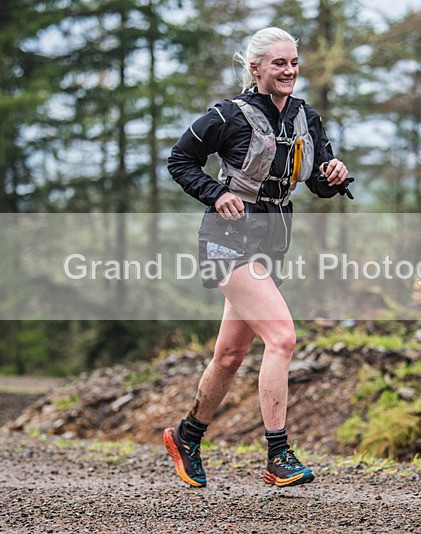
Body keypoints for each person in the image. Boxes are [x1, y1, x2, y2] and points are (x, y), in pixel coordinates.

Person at [164, 26, 352, 488]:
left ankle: (187, 436)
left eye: (294, 62)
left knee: (230, 356)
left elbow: (318, 182)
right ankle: (278, 453)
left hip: (272, 242)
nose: (289, 71)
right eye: (278, 63)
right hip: (227, 239)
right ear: (255, 68)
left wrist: (333, 174)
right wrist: (215, 193)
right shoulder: (227, 115)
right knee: (282, 338)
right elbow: (180, 159)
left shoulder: (306, 117)